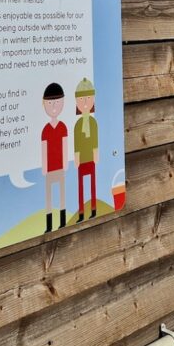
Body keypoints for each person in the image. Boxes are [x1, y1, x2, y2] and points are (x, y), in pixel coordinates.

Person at [40, 82, 68, 232]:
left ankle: (63, 221)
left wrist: (65, 163)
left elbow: (65, 144)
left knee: (62, 195)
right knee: (49, 197)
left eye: (57, 102)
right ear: (44, 104)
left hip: (60, 167)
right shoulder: (45, 130)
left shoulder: (63, 127)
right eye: (50, 103)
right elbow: (44, 148)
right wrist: (44, 167)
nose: (54, 106)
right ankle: (49, 225)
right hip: (50, 168)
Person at [73, 78, 99, 222]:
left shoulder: (93, 123)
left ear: (93, 100)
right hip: (82, 158)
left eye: (88, 98)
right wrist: (76, 157)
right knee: (81, 186)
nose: (85, 102)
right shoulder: (78, 125)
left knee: (93, 184)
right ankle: (81, 212)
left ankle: (94, 208)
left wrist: (96, 154)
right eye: (81, 99)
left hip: (91, 157)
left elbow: (94, 140)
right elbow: (77, 142)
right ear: (77, 102)